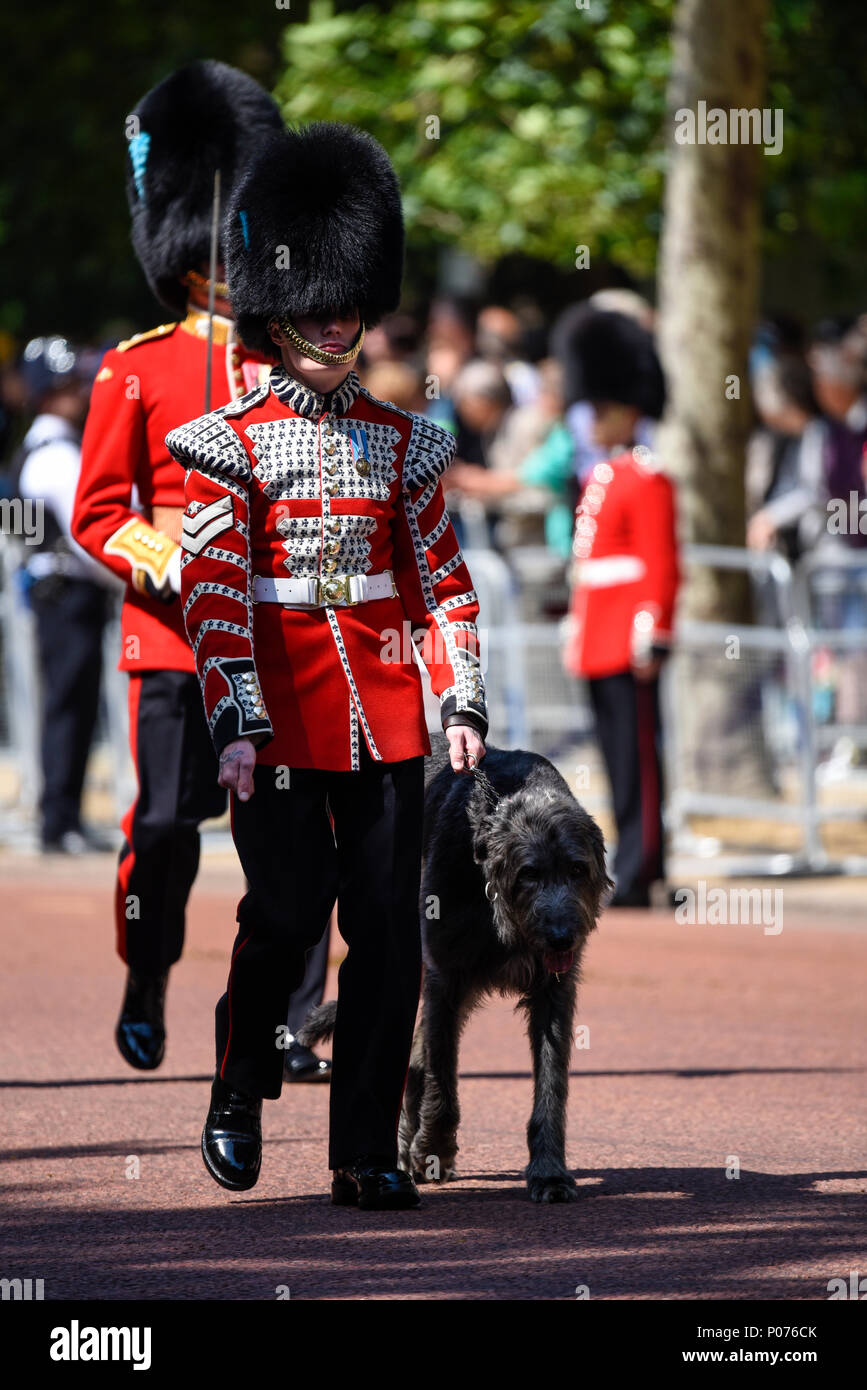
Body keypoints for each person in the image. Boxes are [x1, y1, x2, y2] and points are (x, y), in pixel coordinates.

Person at [167, 120, 488, 1209]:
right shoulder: (229, 440)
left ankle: (365, 1151)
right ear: (276, 309)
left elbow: (443, 579)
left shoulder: (405, 442)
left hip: (389, 713)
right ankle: (236, 1079)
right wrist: (238, 721)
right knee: (287, 916)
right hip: (283, 713)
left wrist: (463, 694)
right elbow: (213, 600)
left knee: (391, 931)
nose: (335, 316)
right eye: (316, 298)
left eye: (349, 299)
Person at [70, 62, 332, 1076]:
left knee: (303, 834)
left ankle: (285, 1017)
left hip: (280, 630)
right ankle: (148, 970)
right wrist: (167, 555)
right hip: (176, 632)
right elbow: (99, 511)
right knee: (170, 826)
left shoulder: (292, 365)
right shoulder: (136, 367)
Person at [558, 307, 679, 908]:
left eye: (602, 408)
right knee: (616, 756)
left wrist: (651, 630)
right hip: (599, 633)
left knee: (639, 763)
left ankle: (642, 865)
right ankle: (633, 862)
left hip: (629, 633)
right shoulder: (602, 475)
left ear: (629, 410)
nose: (593, 417)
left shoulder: (649, 478)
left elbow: (658, 563)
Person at [13, 337, 115, 853]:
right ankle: (60, 820)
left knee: (68, 704)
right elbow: (88, 533)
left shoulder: (35, 447)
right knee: (68, 706)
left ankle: (63, 816)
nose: (78, 391)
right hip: (69, 592)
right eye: (66, 384)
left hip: (57, 591)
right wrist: (128, 577)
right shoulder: (57, 453)